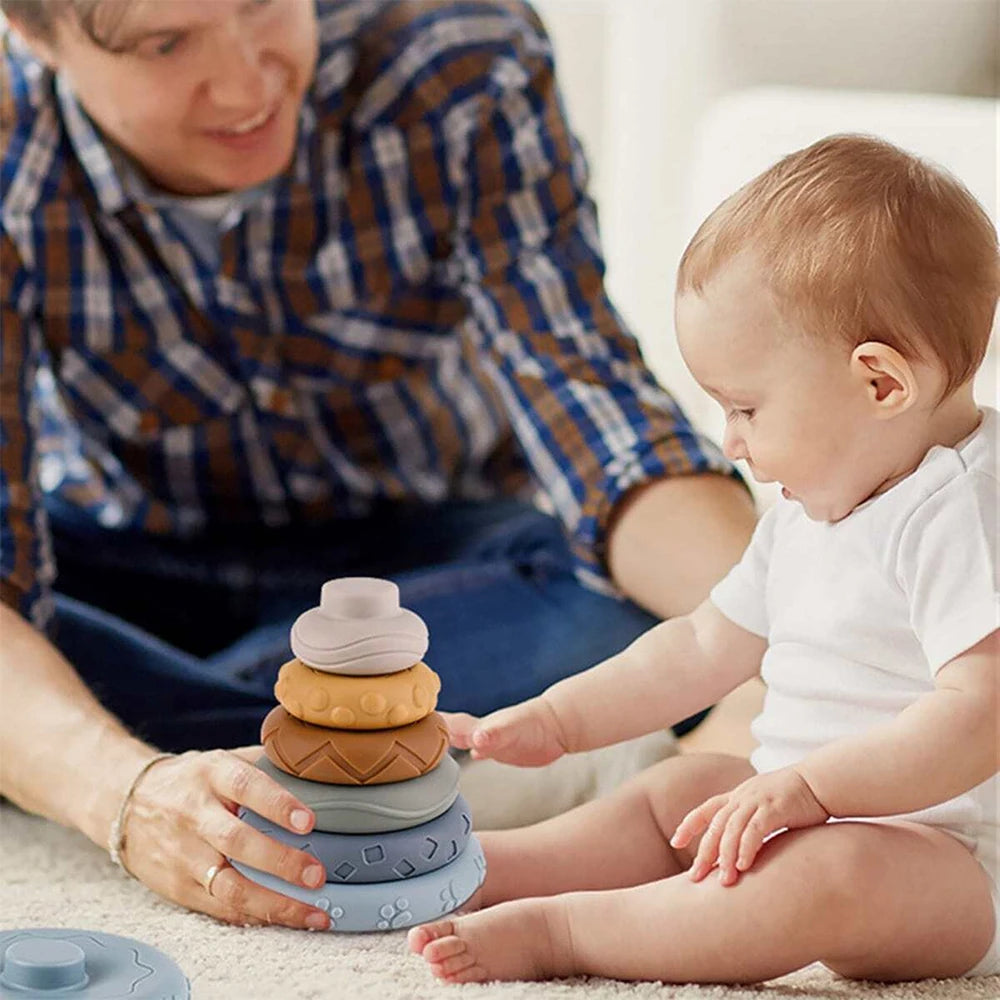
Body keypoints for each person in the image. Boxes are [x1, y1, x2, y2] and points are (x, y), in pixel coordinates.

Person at [0, 2, 755, 933]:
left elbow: (599, 418)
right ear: (31, 32)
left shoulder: (461, 59)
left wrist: (771, 645)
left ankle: (187, 743)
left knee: (630, 608)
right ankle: (396, 757)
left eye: (263, 3)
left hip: (431, 562)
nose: (247, 83)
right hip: (120, 559)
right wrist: (121, 794)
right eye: (166, 43)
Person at [410, 134, 1000, 984]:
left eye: (746, 409)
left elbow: (979, 715)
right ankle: (492, 867)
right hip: (793, 802)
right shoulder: (808, 509)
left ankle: (570, 934)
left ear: (880, 384)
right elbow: (698, 647)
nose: (731, 442)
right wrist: (559, 721)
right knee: (679, 795)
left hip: (951, 860)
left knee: (828, 874)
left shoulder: (963, 511)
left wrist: (814, 792)